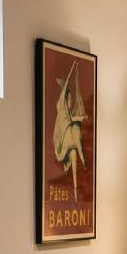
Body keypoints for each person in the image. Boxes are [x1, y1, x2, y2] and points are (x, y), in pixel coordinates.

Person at [53, 60, 87, 200]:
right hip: (64, 143)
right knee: (75, 128)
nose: (71, 101)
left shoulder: (69, 113)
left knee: (75, 154)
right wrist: (72, 68)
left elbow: (75, 118)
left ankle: (75, 190)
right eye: (70, 99)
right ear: (65, 99)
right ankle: (82, 160)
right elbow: (73, 119)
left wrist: (80, 118)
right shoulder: (63, 112)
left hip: (71, 143)